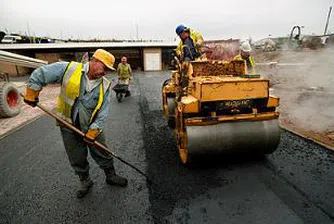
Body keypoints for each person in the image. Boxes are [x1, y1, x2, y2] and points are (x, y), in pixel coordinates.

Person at [23, 49, 128, 198]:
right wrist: (33, 90)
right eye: (104, 68)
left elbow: (103, 112)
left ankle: (110, 175)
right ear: (95, 61)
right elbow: (42, 73)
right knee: (76, 156)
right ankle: (85, 181)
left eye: (107, 70)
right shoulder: (69, 68)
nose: (105, 72)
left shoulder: (105, 85)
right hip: (68, 125)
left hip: (92, 127)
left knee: (102, 152)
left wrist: (94, 129)